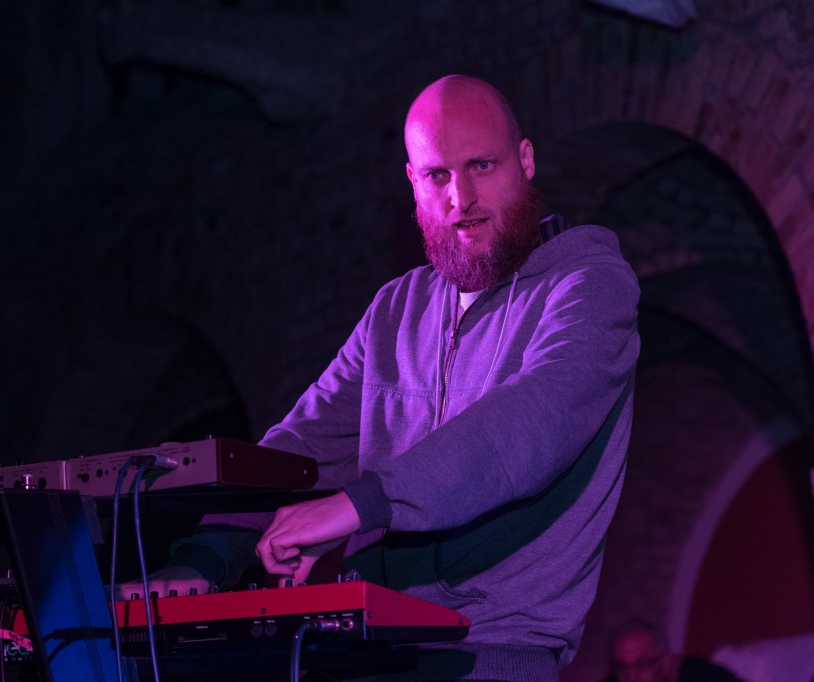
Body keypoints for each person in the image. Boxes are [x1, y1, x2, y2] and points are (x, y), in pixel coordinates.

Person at [121, 74, 641, 681]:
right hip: (370, 649)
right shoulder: (397, 309)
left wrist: (360, 504)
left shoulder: (589, 285)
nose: (461, 197)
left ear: (525, 161)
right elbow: (304, 447)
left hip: (492, 656)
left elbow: (533, 417)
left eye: (482, 165)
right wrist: (205, 559)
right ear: (412, 182)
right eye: (437, 175)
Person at [602, 623, 743, 682]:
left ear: (667, 661)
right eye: (621, 667)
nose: (630, 676)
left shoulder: (701, 675)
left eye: (641, 664)